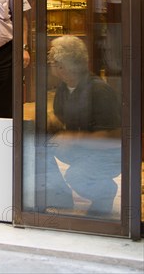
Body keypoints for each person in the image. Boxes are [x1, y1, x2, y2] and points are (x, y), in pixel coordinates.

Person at [45, 35, 121, 217]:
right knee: (38, 146)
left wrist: (73, 138)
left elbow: (115, 137)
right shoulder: (65, 87)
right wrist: (51, 122)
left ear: (62, 66)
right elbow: (61, 118)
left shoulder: (99, 91)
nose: (50, 65)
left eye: (52, 62)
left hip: (109, 155)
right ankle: (60, 197)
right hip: (84, 149)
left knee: (76, 176)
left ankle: (105, 192)